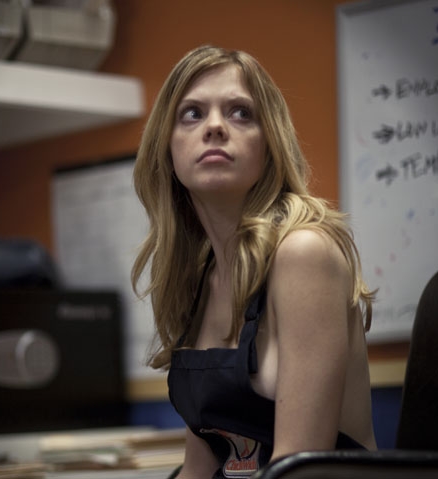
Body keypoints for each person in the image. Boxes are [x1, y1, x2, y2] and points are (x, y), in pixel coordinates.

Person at [131, 45, 377, 479]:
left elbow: (298, 469)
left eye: (241, 113)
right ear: (167, 150)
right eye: (192, 114)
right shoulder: (199, 276)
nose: (214, 126)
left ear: (270, 144)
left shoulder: (304, 252)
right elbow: (199, 467)